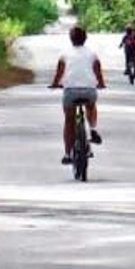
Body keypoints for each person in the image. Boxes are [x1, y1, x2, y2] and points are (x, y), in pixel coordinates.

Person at [48, 24, 105, 164]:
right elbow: (98, 71)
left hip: (70, 92)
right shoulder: (92, 54)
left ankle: (67, 154)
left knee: (69, 121)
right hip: (89, 91)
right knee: (91, 105)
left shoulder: (65, 54)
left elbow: (59, 73)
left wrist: (55, 84)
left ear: (71, 39)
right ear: (85, 38)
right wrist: (101, 83)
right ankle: (92, 129)